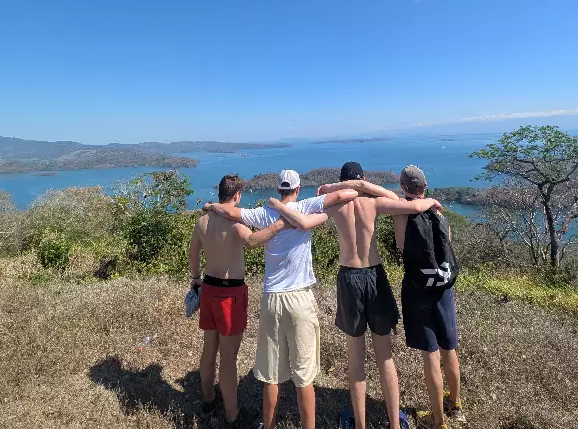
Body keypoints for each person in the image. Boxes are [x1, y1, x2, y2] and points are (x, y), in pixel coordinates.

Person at [270, 162, 441, 429]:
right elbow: (408, 204)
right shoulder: (375, 203)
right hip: (375, 276)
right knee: (385, 357)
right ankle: (395, 425)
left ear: (342, 181)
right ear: (363, 179)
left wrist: (281, 204)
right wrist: (430, 201)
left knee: (356, 359)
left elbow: (304, 216)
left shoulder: (334, 206)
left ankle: (359, 424)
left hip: (349, 278)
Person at [205, 170, 359, 429]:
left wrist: (211, 206)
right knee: (304, 378)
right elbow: (348, 194)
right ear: (297, 189)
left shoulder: (264, 214)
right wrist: (331, 187)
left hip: (272, 299)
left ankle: (269, 426)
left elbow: (230, 212)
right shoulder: (305, 207)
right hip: (300, 299)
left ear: (278, 190)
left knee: (271, 376)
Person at [189, 174, 289, 428]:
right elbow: (252, 241)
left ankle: (209, 401)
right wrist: (279, 225)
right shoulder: (234, 222)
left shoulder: (202, 221)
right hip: (229, 294)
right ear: (237, 196)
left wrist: (195, 279)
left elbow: (193, 252)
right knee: (228, 357)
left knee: (209, 349)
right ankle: (233, 415)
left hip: (208, 289)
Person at [395, 166, 465, 428]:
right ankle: (455, 406)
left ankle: (438, 420)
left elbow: (401, 246)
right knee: (449, 349)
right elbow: (447, 245)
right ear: (425, 186)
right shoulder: (439, 213)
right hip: (443, 288)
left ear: (404, 187)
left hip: (418, 289)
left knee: (431, 354)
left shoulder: (402, 213)